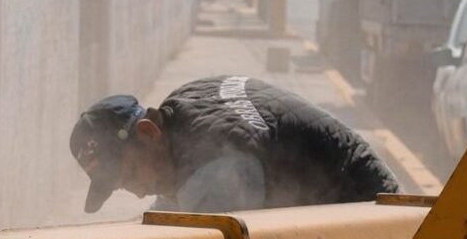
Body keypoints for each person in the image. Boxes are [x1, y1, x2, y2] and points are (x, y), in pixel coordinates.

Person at [69, 75, 400, 213]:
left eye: (129, 175)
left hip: (366, 216)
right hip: (369, 203)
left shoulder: (216, 173)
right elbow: (172, 211)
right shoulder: (186, 108)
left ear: (148, 132)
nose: (138, 192)